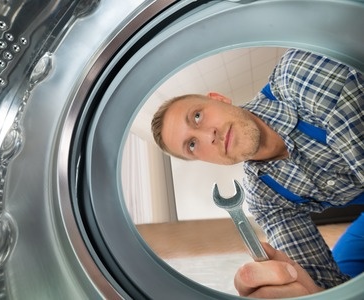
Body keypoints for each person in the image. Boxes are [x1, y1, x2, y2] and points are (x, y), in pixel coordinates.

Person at [151, 48, 364, 298]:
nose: (208, 135)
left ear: (219, 98)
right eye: (192, 145)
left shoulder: (299, 75)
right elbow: (325, 287)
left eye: (197, 116)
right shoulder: (264, 197)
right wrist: (309, 291)